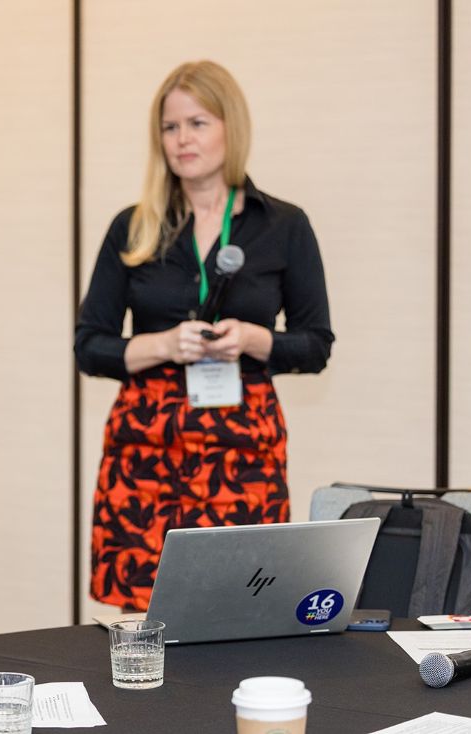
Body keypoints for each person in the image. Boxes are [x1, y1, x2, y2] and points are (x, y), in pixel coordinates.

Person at [75, 61, 334, 611]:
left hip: (243, 449)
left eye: (198, 123)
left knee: (247, 605)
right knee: (145, 619)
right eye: (170, 128)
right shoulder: (132, 225)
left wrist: (251, 339)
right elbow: (90, 345)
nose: (182, 139)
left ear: (230, 128)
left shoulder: (283, 225)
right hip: (146, 447)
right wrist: (164, 346)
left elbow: (315, 345)